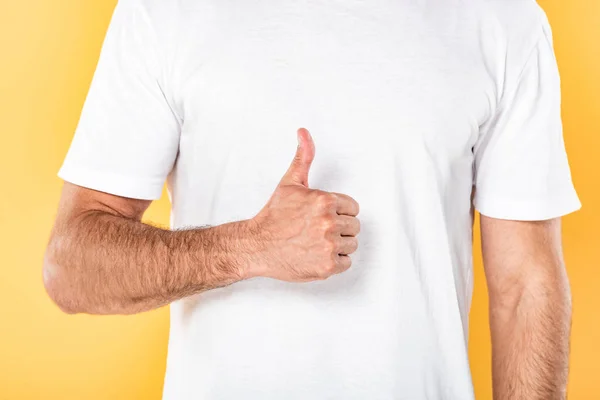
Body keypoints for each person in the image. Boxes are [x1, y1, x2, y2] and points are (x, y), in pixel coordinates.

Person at [43, 0, 581, 398]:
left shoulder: (504, 21)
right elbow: (71, 266)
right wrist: (249, 247)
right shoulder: (164, 14)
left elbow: (525, 283)